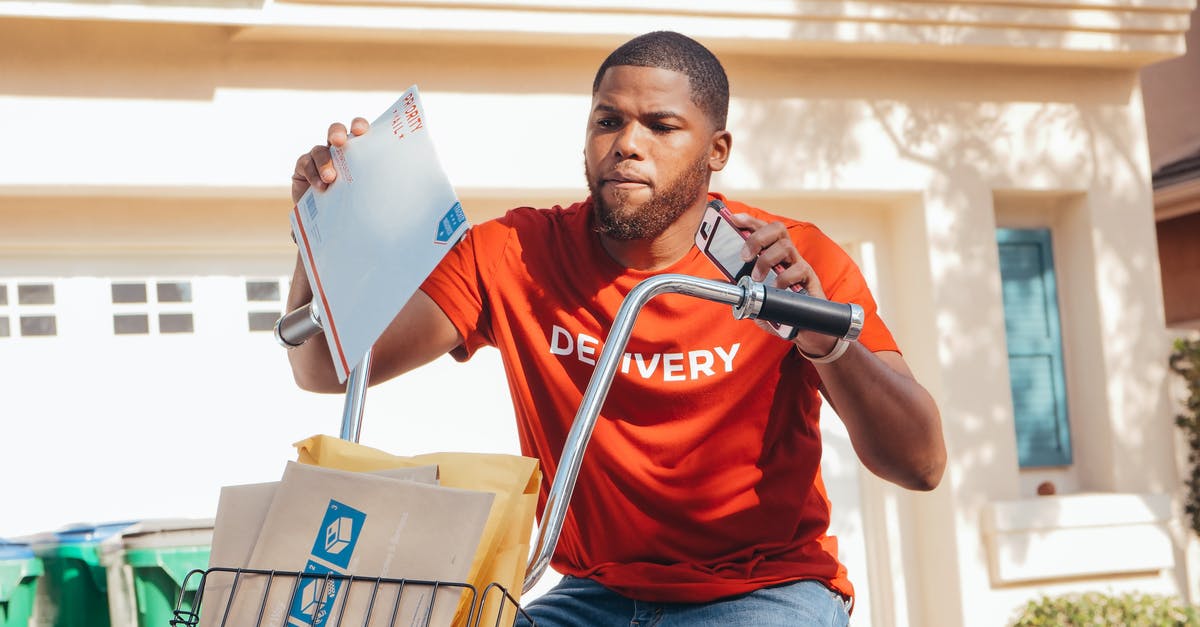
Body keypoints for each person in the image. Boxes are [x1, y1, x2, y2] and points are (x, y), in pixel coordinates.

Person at [286, 31, 945, 627]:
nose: (627, 143)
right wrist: (319, 227)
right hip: (591, 594)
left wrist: (823, 338)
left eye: (660, 125)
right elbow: (323, 367)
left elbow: (922, 464)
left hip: (764, 591)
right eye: (608, 121)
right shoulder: (515, 253)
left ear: (716, 150)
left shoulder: (791, 264)